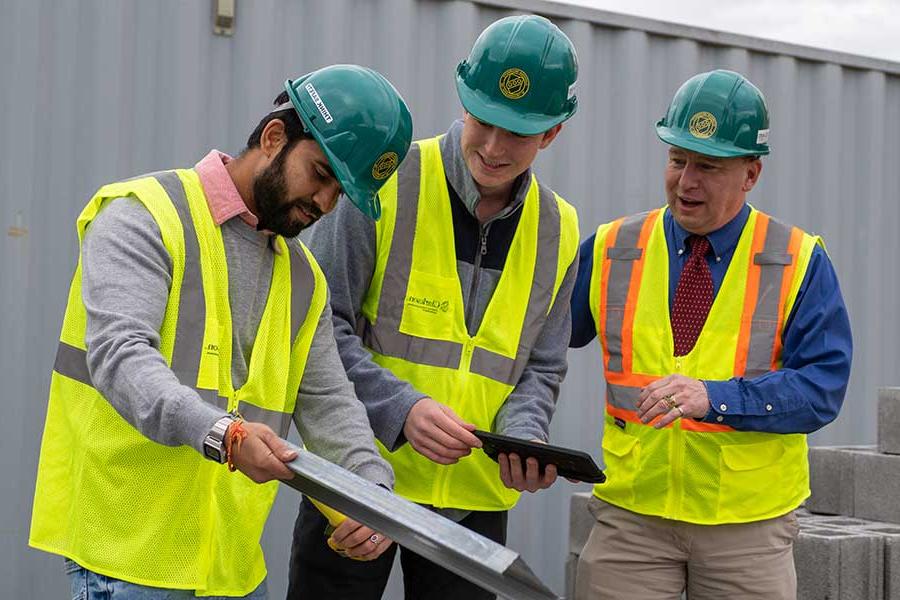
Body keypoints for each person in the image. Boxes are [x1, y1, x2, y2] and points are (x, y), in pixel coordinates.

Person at [29, 64, 413, 598]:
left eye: (340, 195)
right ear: (274, 137)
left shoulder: (304, 278)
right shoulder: (144, 216)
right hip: (129, 560)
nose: (324, 204)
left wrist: (371, 496)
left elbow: (330, 403)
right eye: (321, 174)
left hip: (229, 570)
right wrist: (226, 437)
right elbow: (122, 358)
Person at [288, 14, 580, 600]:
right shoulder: (382, 182)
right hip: (359, 483)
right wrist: (401, 409)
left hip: (473, 506)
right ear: (462, 99)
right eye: (484, 120)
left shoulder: (560, 228)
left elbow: (541, 367)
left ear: (551, 133)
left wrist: (524, 438)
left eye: (518, 132)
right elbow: (316, 326)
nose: (494, 148)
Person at [570, 69, 852, 600]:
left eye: (708, 166)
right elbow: (536, 342)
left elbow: (822, 388)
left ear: (751, 174)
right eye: (677, 160)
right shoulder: (612, 246)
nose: (686, 181)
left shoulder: (798, 259)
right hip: (632, 519)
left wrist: (716, 399)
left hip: (747, 531)